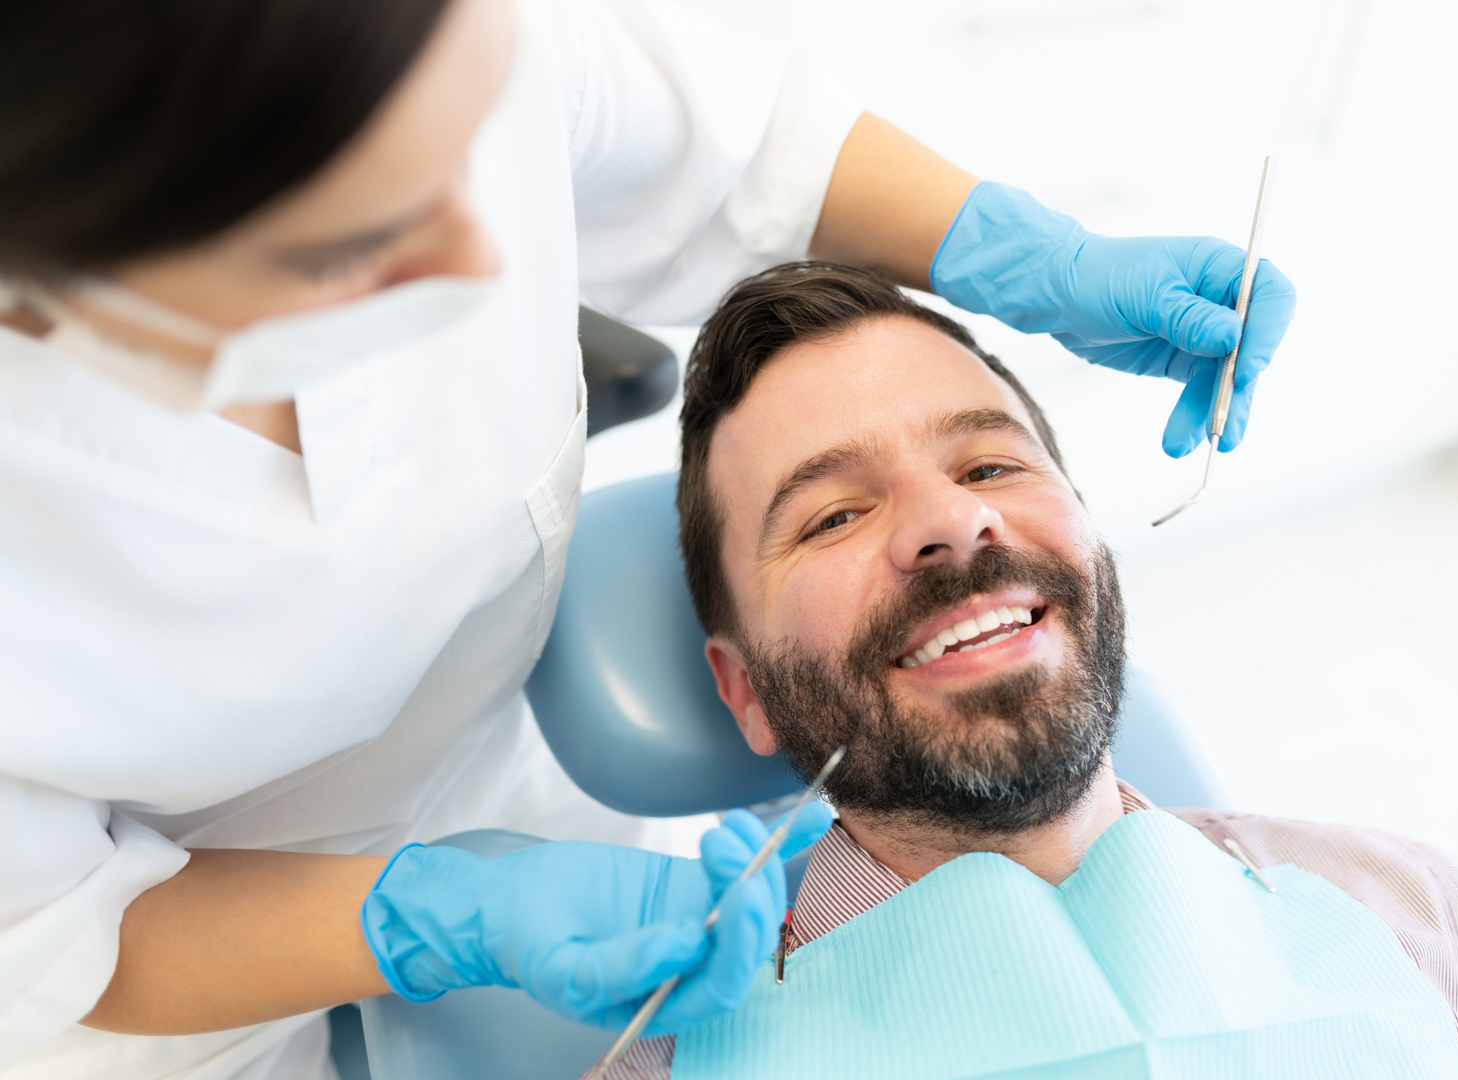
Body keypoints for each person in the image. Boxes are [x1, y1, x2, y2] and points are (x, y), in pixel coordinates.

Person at [0, 1, 1299, 1077]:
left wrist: (1021, 251)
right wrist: (432, 920)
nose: (489, 261)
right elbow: (50, 931)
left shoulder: (1406, 912)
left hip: (522, 803)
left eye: (993, 458)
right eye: (362, 234)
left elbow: (732, 154)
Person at [594, 261, 1458, 1079]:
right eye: (834, 516)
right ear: (745, 691)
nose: (951, 521)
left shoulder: (1420, 915)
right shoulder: (683, 1066)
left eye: (990, 465)